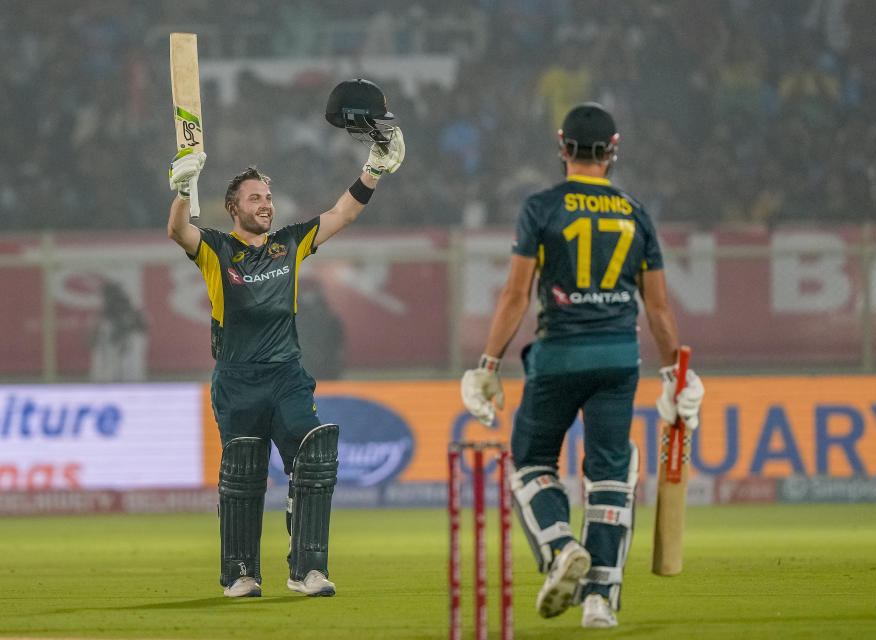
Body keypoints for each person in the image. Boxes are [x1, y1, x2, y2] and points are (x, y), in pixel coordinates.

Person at [460, 103, 704, 628]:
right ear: (612, 151)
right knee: (611, 474)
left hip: (559, 356)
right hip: (619, 357)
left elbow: (515, 294)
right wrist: (673, 375)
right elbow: (658, 307)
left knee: (530, 463)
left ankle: (560, 548)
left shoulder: (541, 207)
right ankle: (600, 601)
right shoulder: (635, 211)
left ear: (562, 147)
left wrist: (488, 363)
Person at [166, 80, 405, 599]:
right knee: (244, 475)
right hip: (237, 379)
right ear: (233, 207)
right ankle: (240, 575)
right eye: (256, 198)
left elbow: (342, 212)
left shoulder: (291, 243)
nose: (266, 205)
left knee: (315, 457)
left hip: (286, 375)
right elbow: (178, 232)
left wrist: (374, 168)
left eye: (269, 197)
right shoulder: (216, 249)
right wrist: (184, 187)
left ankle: (308, 570)